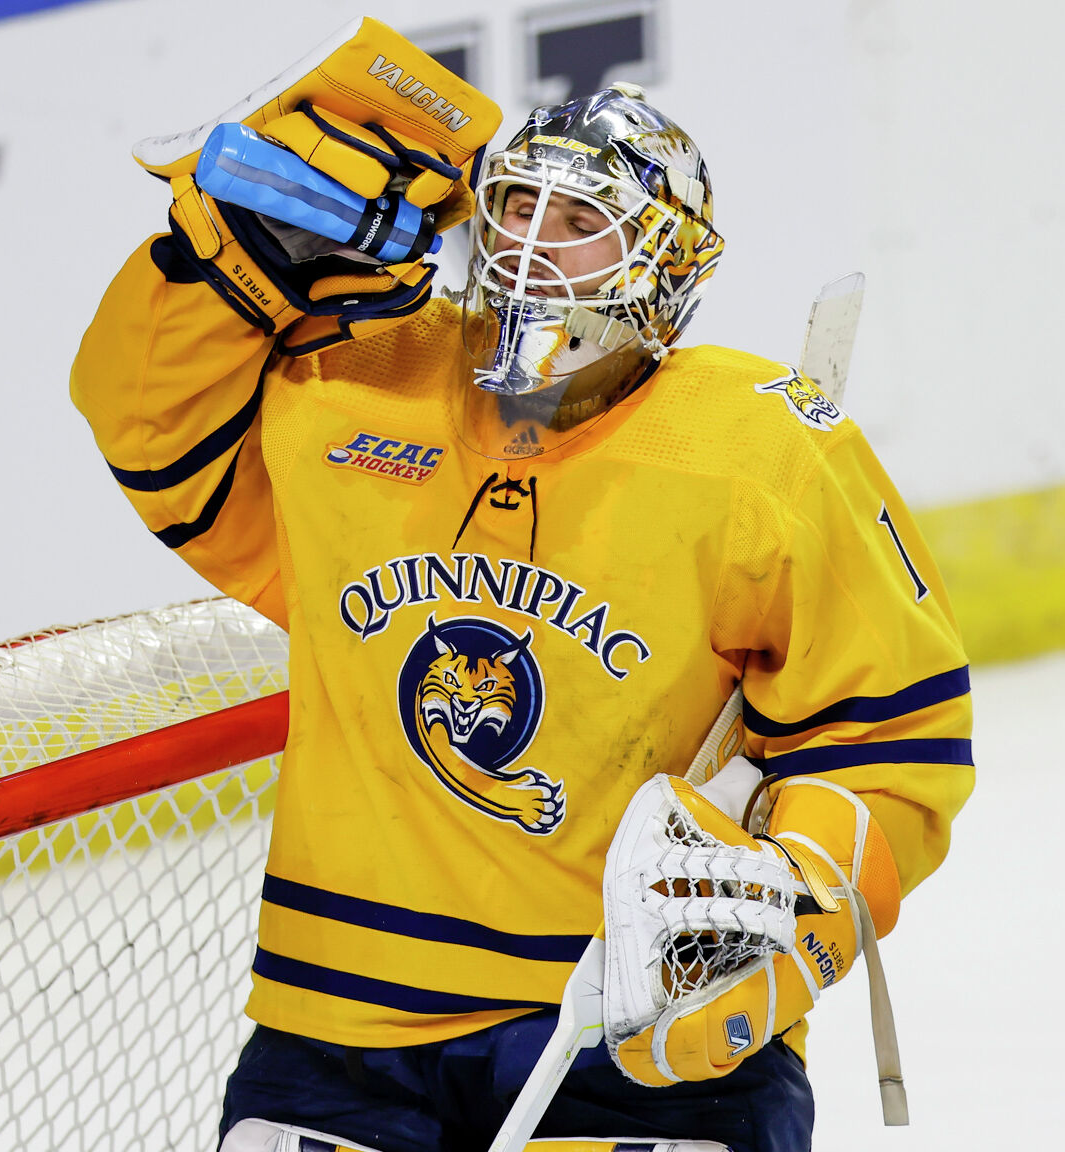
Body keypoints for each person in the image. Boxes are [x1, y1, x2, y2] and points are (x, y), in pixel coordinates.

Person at [70, 18, 973, 1152]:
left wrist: (799, 902)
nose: (532, 247)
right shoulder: (360, 375)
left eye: (583, 223)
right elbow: (153, 437)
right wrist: (225, 267)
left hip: (638, 1035)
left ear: (669, 264)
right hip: (340, 1030)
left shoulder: (760, 451)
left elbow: (893, 738)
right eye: (515, 209)